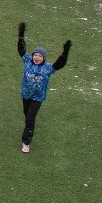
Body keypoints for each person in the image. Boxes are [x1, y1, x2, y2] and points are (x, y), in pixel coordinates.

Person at [16, 21, 71, 153]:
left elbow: (59, 64)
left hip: (37, 98)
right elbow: (21, 50)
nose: (37, 57)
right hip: (26, 94)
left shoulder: (48, 68)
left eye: (40, 56)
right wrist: (21, 36)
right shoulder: (27, 61)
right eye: (35, 54)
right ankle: (29, 126)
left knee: (29, 118)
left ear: (44, 58)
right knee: (27, 116)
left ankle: (26, 142)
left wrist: (65, 52)